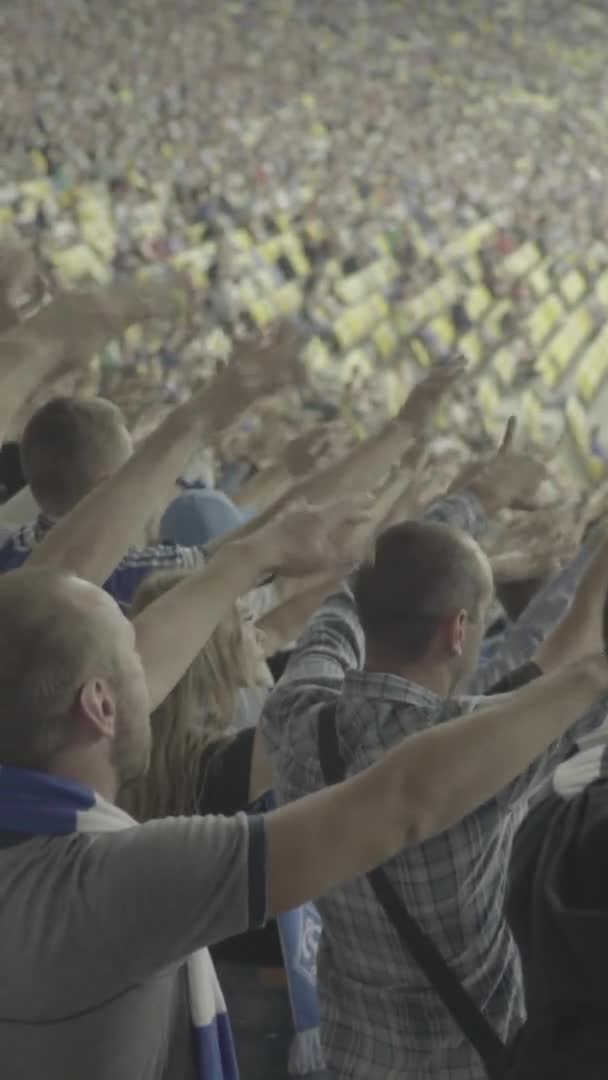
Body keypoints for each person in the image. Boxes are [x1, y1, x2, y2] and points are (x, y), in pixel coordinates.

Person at [3, 456, 608, 1080]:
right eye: (132, 650)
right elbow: (402, 800)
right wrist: (591, 673)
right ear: (98, 704)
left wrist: (252, 557)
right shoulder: (121, 879)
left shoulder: (297, 718)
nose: (152, 664)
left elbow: (353, 608)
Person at [260, 436, 608, 1078]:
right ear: (457, 631)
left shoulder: (295, 717)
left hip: (354, 1056)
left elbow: (344, 602)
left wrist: (473, 501)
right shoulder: (485, 755)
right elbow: (576, 646)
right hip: (474, 1059)